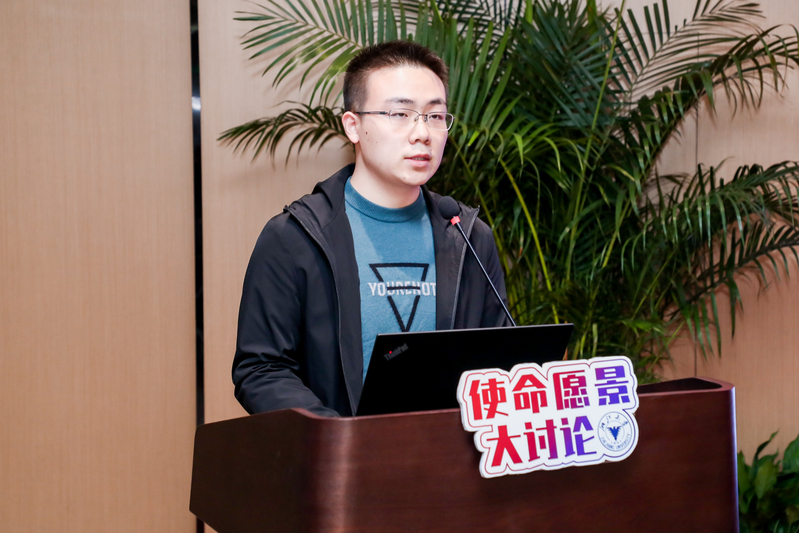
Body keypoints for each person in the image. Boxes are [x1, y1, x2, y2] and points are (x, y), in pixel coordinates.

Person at [233, 41, 512, 417]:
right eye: (400, 114)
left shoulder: (469, 237)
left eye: (434, 116)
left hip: (446, 453)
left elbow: (499, 362)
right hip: (337, 452)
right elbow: (261, 369)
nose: (422, 133)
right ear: (353, 125)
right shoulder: (295, 237)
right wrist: (339, 438)